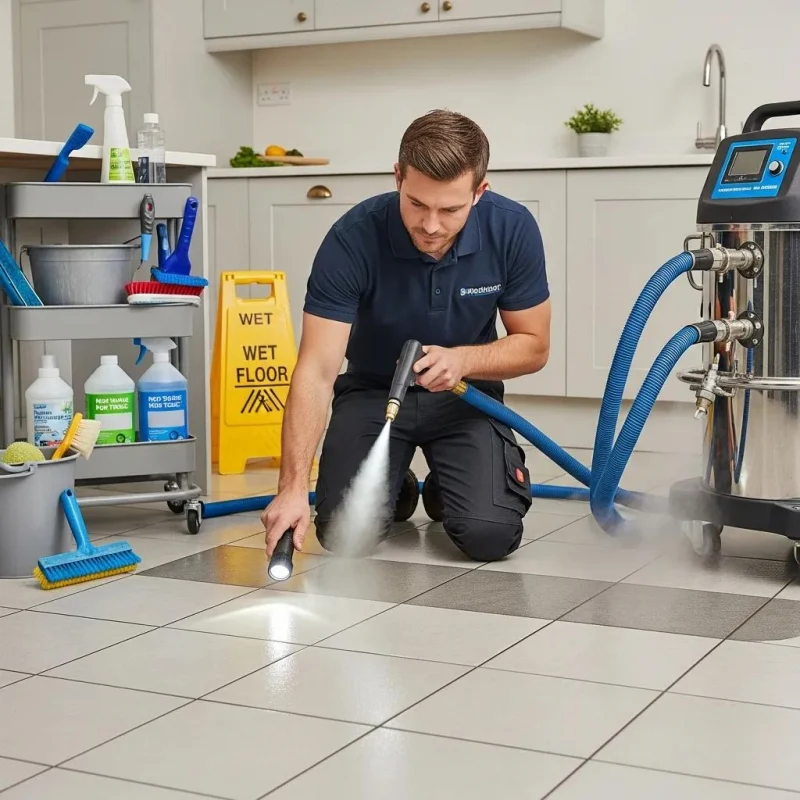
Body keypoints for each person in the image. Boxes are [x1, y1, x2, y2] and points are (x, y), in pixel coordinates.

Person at [262, 109, 551, 563]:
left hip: (465, 396)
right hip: (373, 394)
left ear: (480, 192)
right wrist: (292, 489)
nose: (431, 225)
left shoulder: (512, 229)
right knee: (342, 533)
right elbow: (317, 370)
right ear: (398, 177)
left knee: (489, 535)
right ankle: (398, 483)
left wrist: (464, 361)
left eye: (450, 209)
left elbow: (534, 346)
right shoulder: (352, 239)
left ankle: (450, 482)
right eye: (417, 204)